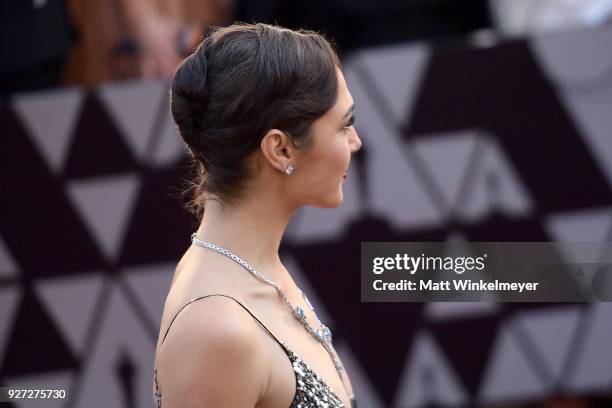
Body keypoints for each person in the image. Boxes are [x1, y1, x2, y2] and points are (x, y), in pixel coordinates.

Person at [153, 22, 362, 407]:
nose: (355, 141)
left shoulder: (254, 271)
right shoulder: (218, 329)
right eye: (344, 125)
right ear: (280, 150)